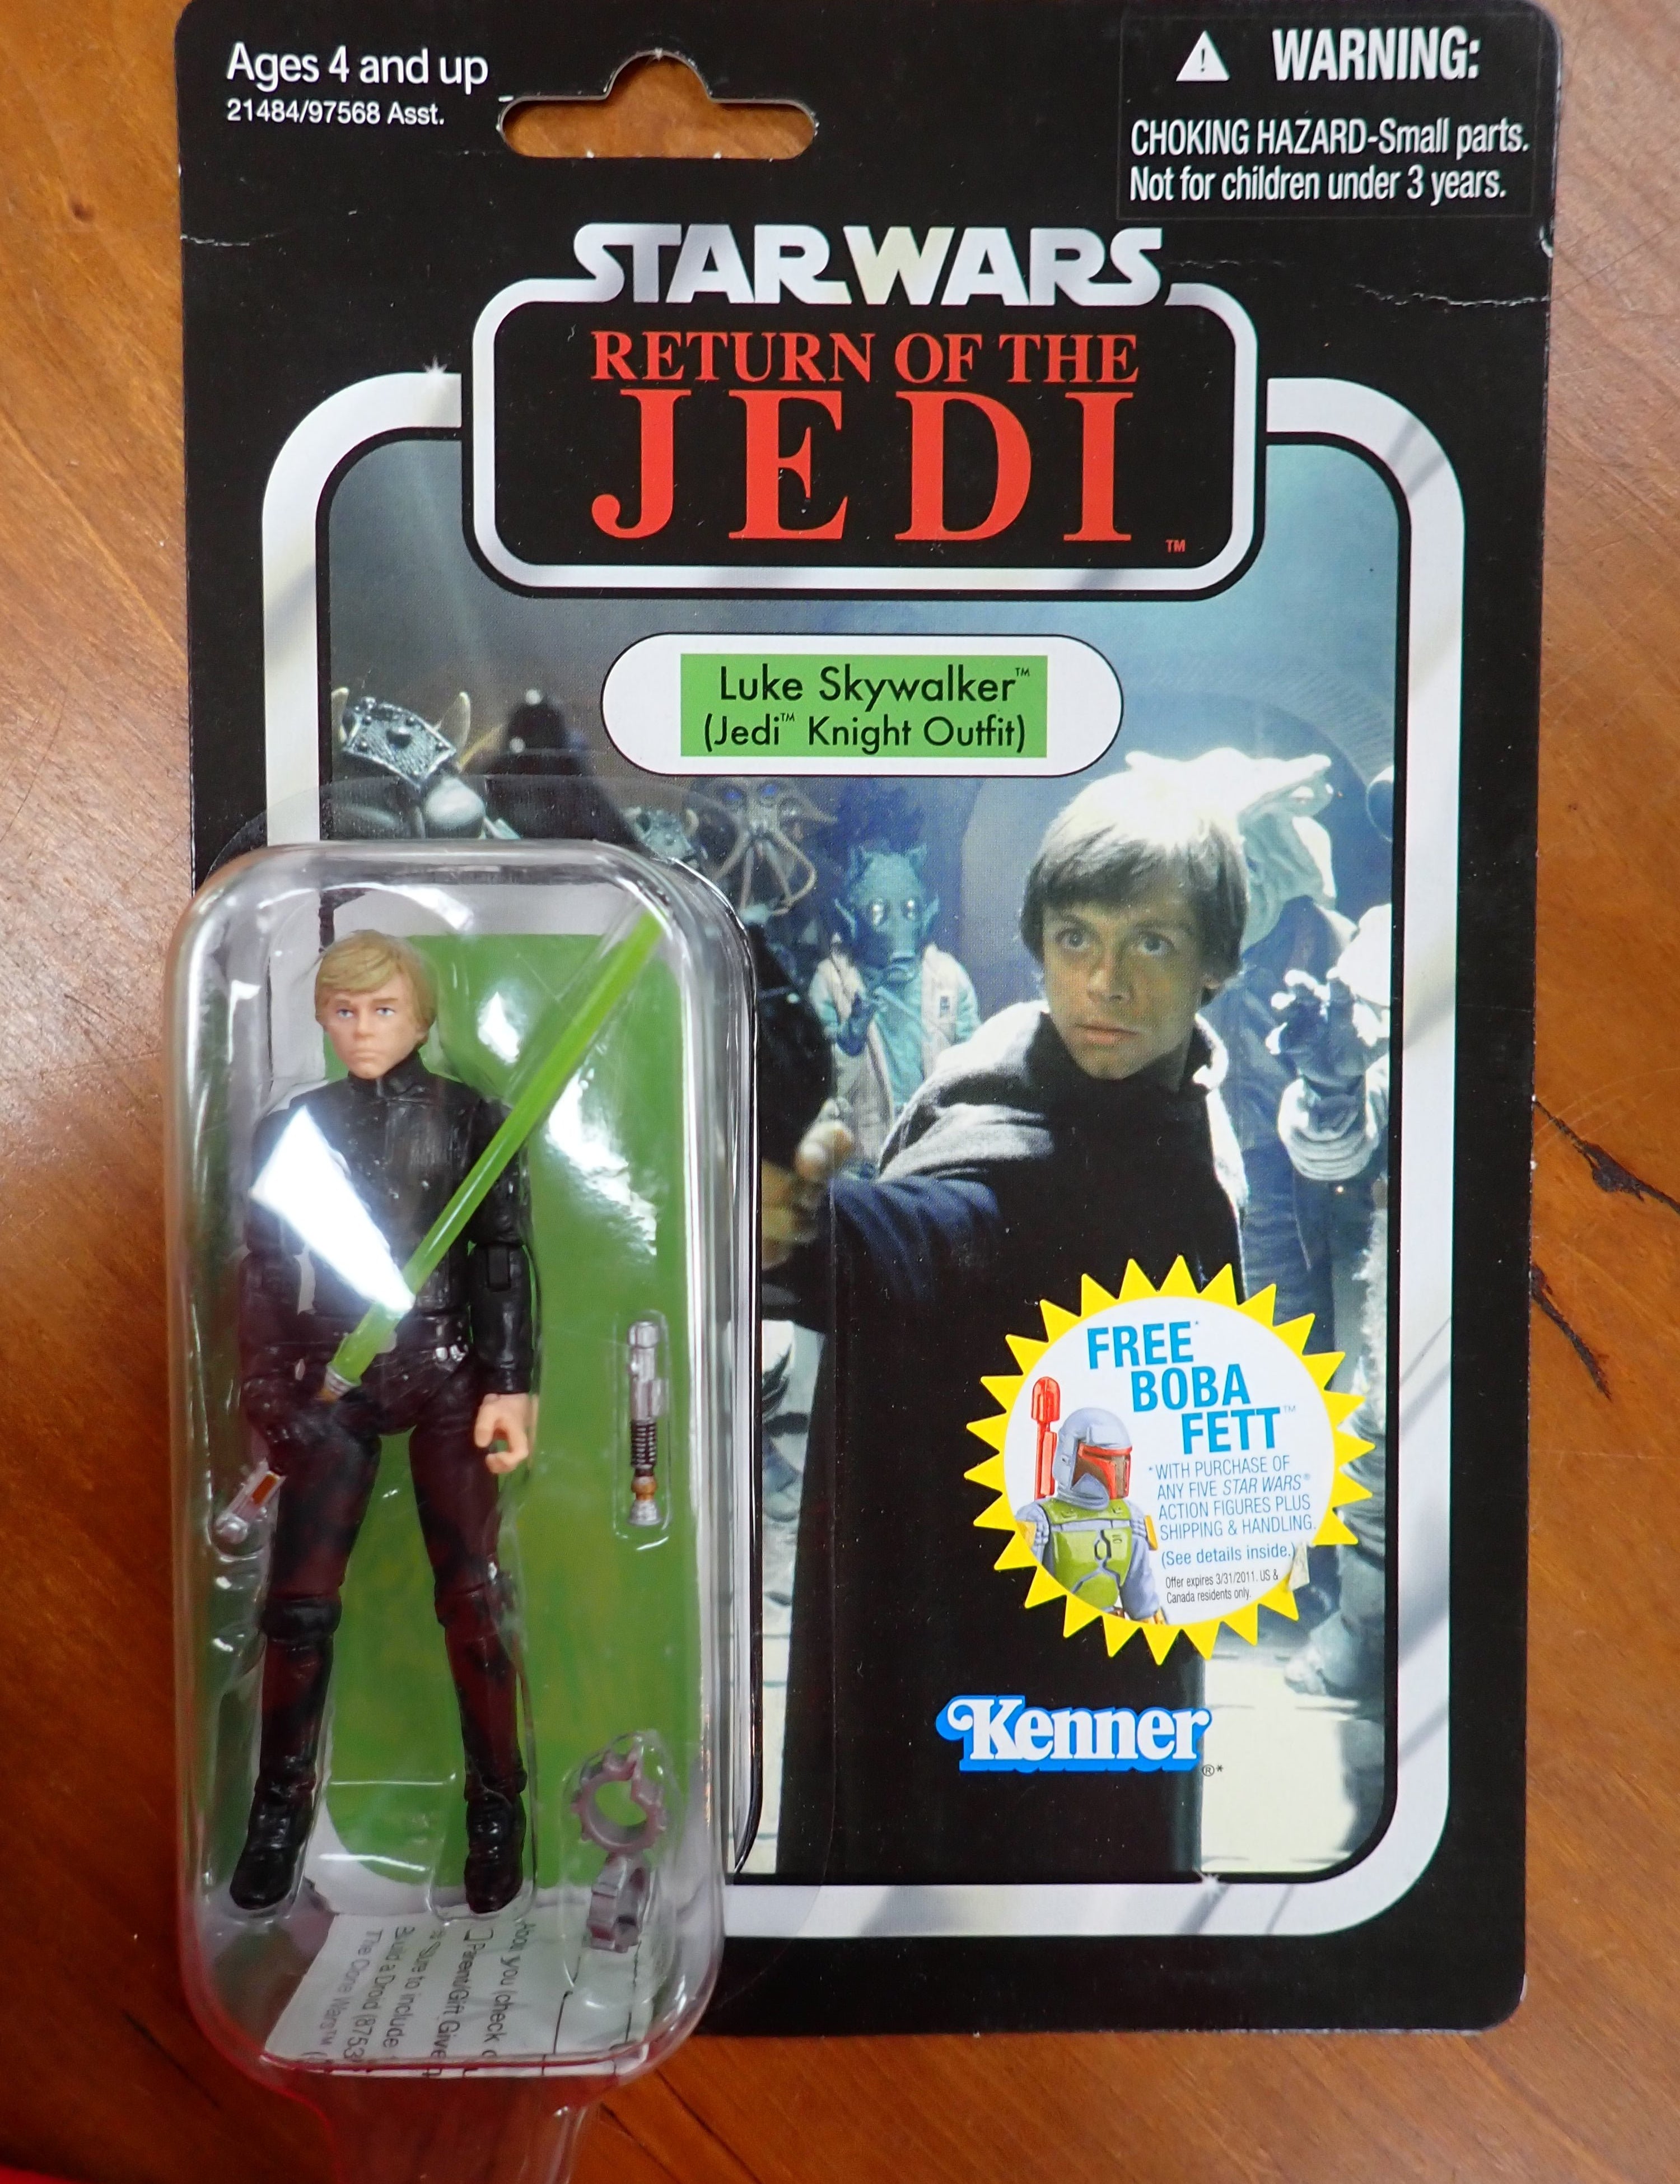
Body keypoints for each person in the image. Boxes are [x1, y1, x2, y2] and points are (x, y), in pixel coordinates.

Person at [763, 771, 1247, 1883]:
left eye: (1153, 944)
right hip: (957, 1615)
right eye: (1076, 938)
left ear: (1215, 966)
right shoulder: (998, 1100)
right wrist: (805, 1218)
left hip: (1086, 1628)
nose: (1106, 981)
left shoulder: (1172, 1133)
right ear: (1038, 944)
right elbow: (930, 1235)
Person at [231, 932, 536, 1915]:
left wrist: (511, 1383)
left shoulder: (473, 1118)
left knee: (474, 1600)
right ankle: (278, 1810)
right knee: (298, 1607)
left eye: (385, 1009)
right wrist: (269, 1387)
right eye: (345, 1011)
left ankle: (498, 1805)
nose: (363, 1029)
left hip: (446, 1368)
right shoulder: (294, 1128)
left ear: (422, 1016)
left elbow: (501, 1258)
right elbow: (265, 1268)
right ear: (323, 1018)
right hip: (335, 1373)